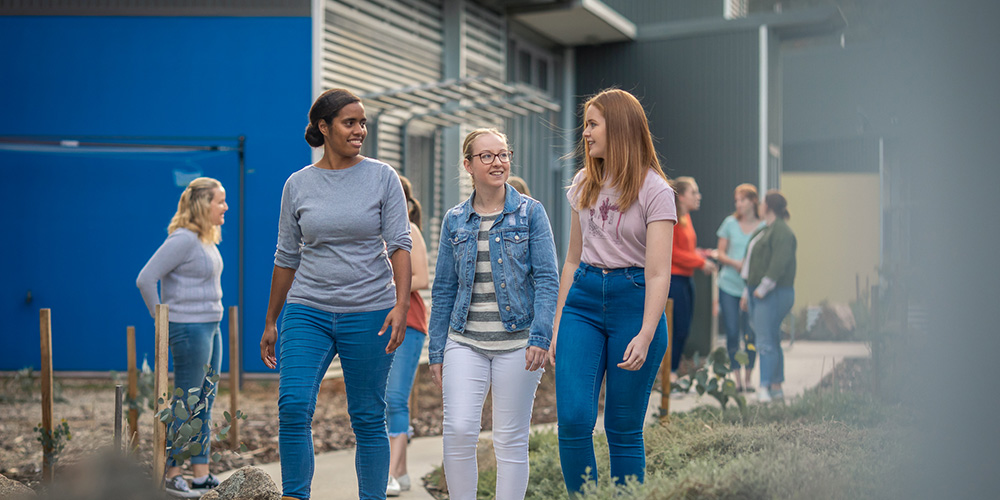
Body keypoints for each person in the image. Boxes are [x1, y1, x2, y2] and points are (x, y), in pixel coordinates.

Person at [259, 88, 412, 500]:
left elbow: (399, 244)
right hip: (308, 308)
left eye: (363, 122)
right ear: (324, 127)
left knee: (366, 416)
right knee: (293, 407)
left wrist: (401, 305)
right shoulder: (298, 184)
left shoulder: (382, 177)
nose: (360, 130)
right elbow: (286, 255)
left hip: (370, 311)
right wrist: (272, 319)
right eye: (350, 122)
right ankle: (296, 495)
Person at [551, 89, 676, 494]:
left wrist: (645, 331)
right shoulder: (583, 182)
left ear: (618, 127)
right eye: (585, 124)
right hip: (583, 302)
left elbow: (659, 273)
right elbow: (571, 259)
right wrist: (556, 326)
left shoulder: (655, 190)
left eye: (592, 124)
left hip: (634, 304)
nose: (584, 133)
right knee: (572, 419)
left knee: (622, 427)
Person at [428, 128, 559, 500]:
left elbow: (548, 278)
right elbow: (443, 289)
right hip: (464, 341)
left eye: (503, 154)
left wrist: (541, 336)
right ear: (468, 165)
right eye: (486, 156)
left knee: (510, 438)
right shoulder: (455, 220)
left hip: (519, 343)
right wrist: (436, 350)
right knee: (458, 430)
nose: (497, 162)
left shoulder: (531, 213)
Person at [136, 177, 228, 498]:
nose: (225, 207)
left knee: (205, 399)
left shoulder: (205, 240)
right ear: (204, 204)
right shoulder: (184, 240)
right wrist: (161, 318)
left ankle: (200, 474)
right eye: (220, 201)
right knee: (187, 403)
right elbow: (146, 279)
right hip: (188, 328)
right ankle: (173, 475)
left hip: (211, 326)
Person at [384, 175, 429, 497]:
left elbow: (422, 277)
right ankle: (400, 470)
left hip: (409, 322)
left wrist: (382, 286)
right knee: (381, 399)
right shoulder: (373, 233)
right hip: (377, 323)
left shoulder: (410, 231)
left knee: (395, 397)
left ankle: (390, 474)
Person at [740, 190, 796, 403]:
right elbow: (751, 262)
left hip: (772, 293)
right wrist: (748, 290)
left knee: (764, 342)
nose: (760, 206)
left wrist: (762, 288)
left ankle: (764, 387)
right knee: (771, 339)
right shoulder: (766, 230)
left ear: (769, 207)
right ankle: (776, 387)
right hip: (758, 291)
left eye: (762, 203)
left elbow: (779, 263)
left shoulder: (781, 231)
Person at [712, 183, 764, 392]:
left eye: (742, 199)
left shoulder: (762, 227)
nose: (739, 204)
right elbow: (719, 253)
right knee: (732, 332)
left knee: (750, 334)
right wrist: (737, 264)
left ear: (753, 201)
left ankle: (749, 378)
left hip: (751, 288)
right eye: (736, 200)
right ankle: (736, 378)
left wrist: (750, 269)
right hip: (728, 286)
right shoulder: (729, 223)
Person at [668, 176, 716, 376]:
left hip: (687, 279)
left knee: (684, 329)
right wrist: (701, 262)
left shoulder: (687, 218)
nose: (699, 196)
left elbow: (686, 249)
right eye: (694, 192)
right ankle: (668, 375)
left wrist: (704, 254)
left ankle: (673, 371)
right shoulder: (674, 219)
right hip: (675, 280)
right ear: (681, 197)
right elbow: (673, 252)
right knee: (677, 329)